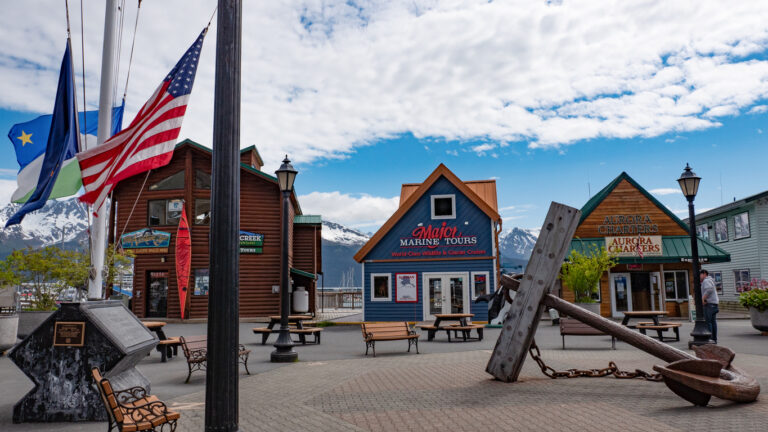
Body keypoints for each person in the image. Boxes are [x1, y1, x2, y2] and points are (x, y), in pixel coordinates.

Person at [700, 269, 719, 343]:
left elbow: (709, 289)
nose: (700, 276)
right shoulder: (711, 280)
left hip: (709, 304)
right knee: (713, 322)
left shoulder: (706, 280)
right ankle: (714, 338)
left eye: (700, 274)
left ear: (704, 274)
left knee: (708, 322)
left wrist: (703, 299)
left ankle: (710, 339)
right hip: (714, 303)